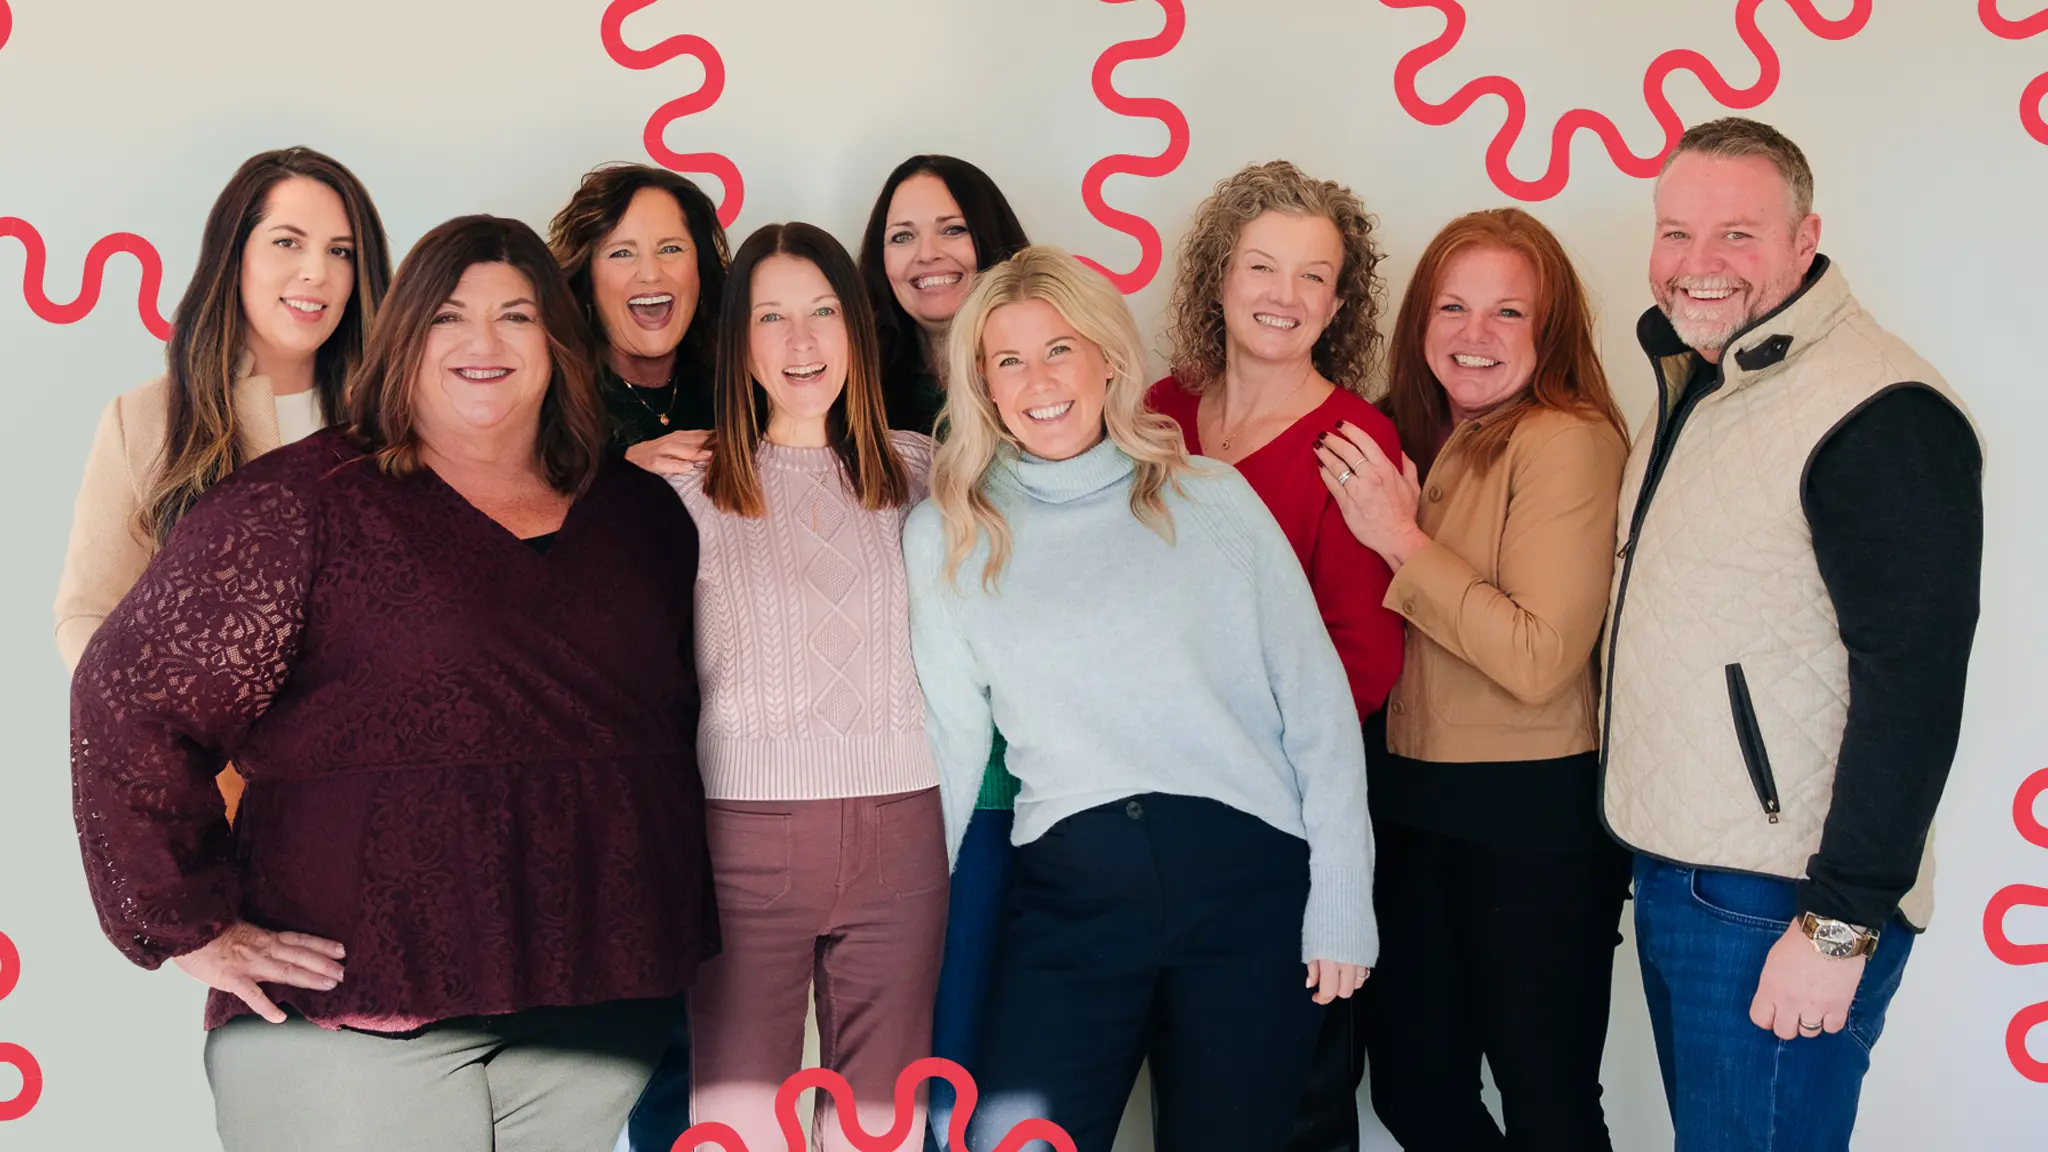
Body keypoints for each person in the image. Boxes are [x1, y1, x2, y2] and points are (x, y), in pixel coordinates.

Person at [69, 215, 718, 1152]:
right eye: (449, 316)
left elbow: (678, 725)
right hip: (355, 1011)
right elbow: (127, 698)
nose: (484, 344)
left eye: (517, 316)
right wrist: (185, 926)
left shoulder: (643, 517)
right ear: (402, 338)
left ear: (558, 343)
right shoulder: (299, 503)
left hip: (596, 1004)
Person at [905, 246, 1374, 1152]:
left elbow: (1316, 709)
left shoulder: (1212, 499)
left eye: (1058, 350)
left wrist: (1344, 903)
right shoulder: (950, 534)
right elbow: (954, 745)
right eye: (1008, 361)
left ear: (1108, 360)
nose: (1038, 382)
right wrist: (922, 933)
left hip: (1248, 885)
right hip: (1070, 896)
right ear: (983, 387)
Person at [1602, 117, 1982, 1150]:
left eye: (1735, 234)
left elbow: (1912, 683)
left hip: (1783, 899)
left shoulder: (1876, 409)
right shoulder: (1710, 384)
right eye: (1675, 233)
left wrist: (1838, 920)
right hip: (1685, 873)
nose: (1697, 265)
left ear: (1803, 237)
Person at [1311, 208, 1634, 1150]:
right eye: (1452, 307)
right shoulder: (1409, 433)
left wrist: (1400, 538)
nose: (1474, 336)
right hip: (1405, 808)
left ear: (1551, 331)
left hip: (1532, 822)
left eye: (1507, 313)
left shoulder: (1566, 439)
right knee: (1412, 1092)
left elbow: (1539, 658)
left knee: (1548, 1102)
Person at [1147, 159, 1401, 1152]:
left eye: (1310, 276)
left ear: (1338, 302)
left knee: (1291, 1100)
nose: (1282, 296)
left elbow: (1360, 666)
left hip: (1288, 826)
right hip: (1162, 825)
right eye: (1261, 267)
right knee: (1188, 1093)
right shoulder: (1155, 417)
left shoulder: (1352, 442)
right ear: (1218, 277)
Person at [675, 222, 944, 1152]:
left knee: (886, 1124)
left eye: (824, 312)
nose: (801, 343)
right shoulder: (685, 488)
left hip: (907, 828)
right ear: (737, 340)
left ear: (859, 328)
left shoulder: (924, 471)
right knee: (739, 1124)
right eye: (772, 317)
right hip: (742, 837)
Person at [54, 146, 392, 822]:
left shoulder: (397, 419)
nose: (316, 273)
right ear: (233, 254)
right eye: (288, 242)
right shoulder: (146, 421)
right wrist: (170, 743)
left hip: (386, 786)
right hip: (227, 797)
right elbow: (89, 613)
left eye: (342, 251)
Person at [855, 153, 1031, 1151]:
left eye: (951, 227)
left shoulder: (1045, 387)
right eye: (901, 235)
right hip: (890, 775)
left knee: (1014, 1066)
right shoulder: (846, 391)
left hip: (1022, 779)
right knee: (924, 1061)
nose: (928, 254)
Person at [549, 162, 730, 476]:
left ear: (700, 270)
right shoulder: (551, 397)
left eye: (671, 248)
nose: (650, 273)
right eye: (621, 253)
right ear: (588, 280)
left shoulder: (737, 383)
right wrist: (624, 472)